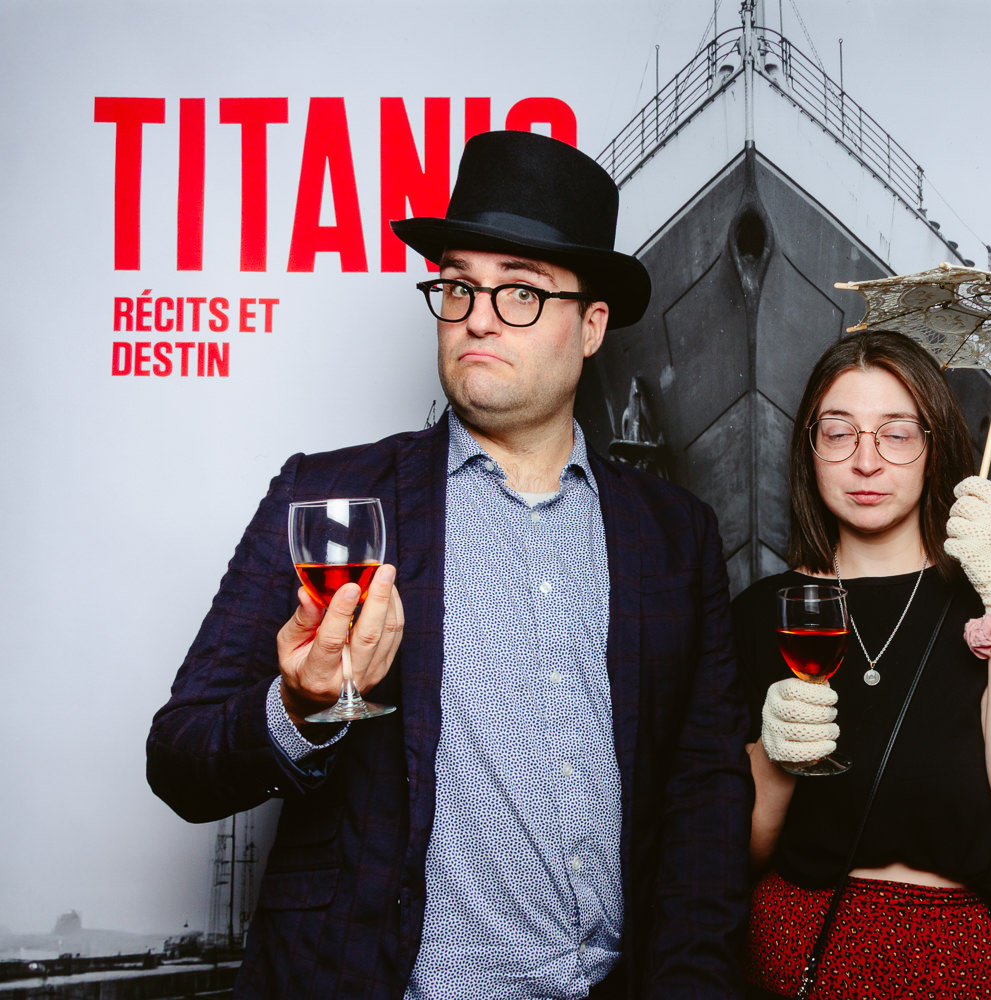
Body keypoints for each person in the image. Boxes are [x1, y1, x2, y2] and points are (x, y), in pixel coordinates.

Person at [147, 131, 752, 1000]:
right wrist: (299, 707)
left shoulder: (675, 536)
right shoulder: (332, 500)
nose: (477, 315)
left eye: (520, 292)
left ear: (591, 326)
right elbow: (180, 756)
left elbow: (706, 798)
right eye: (459, 285)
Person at [734, 331, 991, 999]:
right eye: (838, 433)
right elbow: (734, 853)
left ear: (936, 446)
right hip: (802, 961)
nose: (865, 461)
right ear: (809, 448)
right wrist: (772, 760)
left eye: (897, 434)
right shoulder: (763, 612)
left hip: (978, 971)